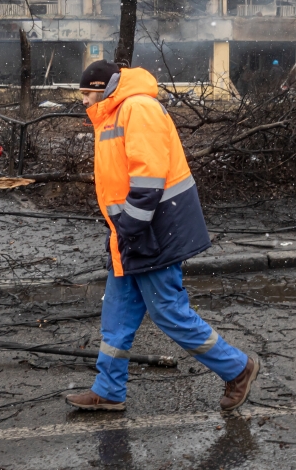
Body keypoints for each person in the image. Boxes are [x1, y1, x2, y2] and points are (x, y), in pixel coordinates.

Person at [65, 60, 259, 412]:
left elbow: (148, 179)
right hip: (132, 235)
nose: (83, 101)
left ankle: (238, 368)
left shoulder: (138, 108)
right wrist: (123, 233)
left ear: (102, 87)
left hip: (151, 233)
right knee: (117, 319)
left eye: (86, 92)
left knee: (169, 313)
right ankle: (108, 390)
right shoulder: (116, 113)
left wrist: (129, 228)